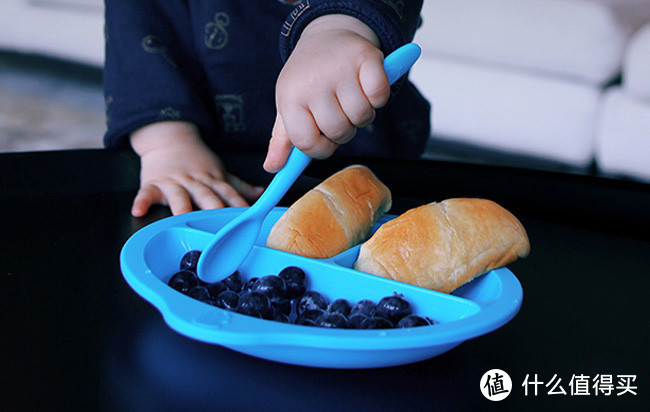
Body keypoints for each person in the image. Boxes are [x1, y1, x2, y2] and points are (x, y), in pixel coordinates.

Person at [103, 0, 430, 217]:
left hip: (366, 159)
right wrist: (168, 143)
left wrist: (340, 25)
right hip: (220, 168)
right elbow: (138, 22)